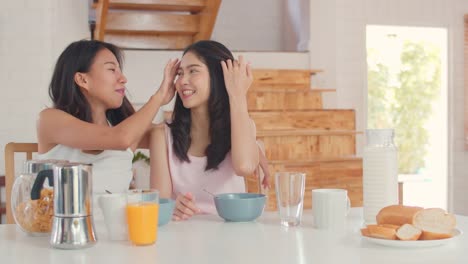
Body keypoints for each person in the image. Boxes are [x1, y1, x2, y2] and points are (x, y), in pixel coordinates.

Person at [36, 39, 179, 199]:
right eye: (112, 69)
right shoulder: (49, 120)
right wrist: (159, 97)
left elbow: (176, 136)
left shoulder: (127, 128)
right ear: (83, 80)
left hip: (115, 223)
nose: (123, 78)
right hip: (62, 223)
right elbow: (120, 138)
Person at [149, 40, 270, 221]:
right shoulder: (162, 135)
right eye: (180, 73)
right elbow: (160, 206)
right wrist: (175, 207)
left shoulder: (243, 127)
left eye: (193, 71)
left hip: (231, 237)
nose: (182, 81)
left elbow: (244, 167)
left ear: (218, 77)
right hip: (183, 238)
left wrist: (237, 94)